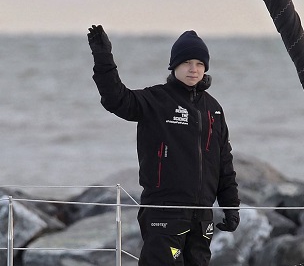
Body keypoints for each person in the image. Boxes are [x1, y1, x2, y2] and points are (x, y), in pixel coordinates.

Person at [87, 25, 240, 266]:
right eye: (187, 62)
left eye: (199, 63)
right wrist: (103, 57)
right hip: (163, 211)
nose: (193, 69)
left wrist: (231, 207)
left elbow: (224, 162)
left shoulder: (214, 109)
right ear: (174, 66)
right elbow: (116, 99)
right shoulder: (156, 100)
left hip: (201, 217)